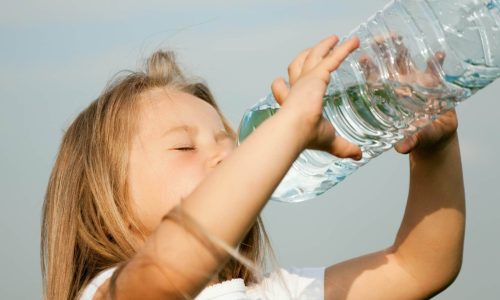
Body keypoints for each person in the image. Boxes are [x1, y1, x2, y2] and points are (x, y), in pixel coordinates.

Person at [41, 33, 465, 299]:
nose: (229, 157)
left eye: (232, 144)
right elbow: (164, 275)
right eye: (185, 147)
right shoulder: (109, 292)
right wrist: (293, 122)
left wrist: (436, 150)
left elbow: (417, 269)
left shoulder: (275, 293)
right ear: (103, 204)